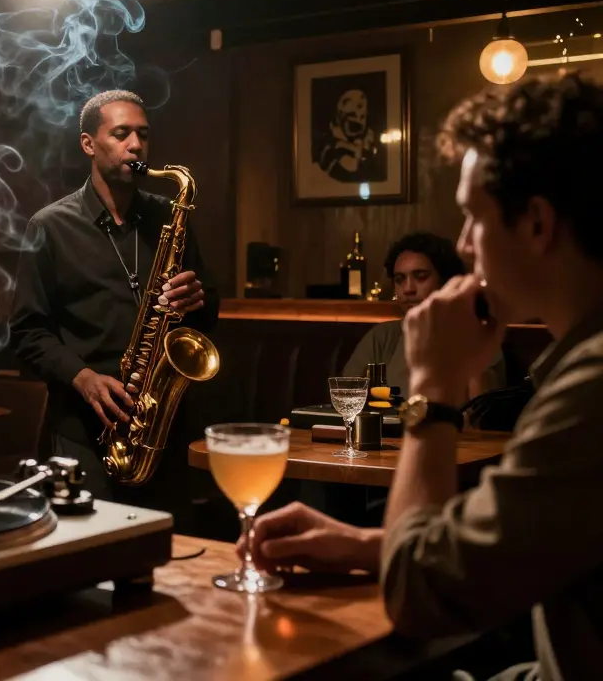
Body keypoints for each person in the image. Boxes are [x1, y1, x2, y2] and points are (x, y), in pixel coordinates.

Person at [241, 72, 603, 681]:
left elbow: (419, 596)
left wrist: (434, 386)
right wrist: (362, 546)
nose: (463, 245)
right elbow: (503, 555)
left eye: (472, 218)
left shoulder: (592, 390)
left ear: (537, 225)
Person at [10, 89, 219, 501]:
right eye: (121, 133)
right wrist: (83, 378)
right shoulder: (49, 227)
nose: (136, 145)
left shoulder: (170, 214)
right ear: (88, 143)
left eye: (143, 134)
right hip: (85, 431)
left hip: (163, 428)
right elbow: (27, 332)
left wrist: (199, 298)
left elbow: (207, 311)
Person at [342, 231, 506, 397]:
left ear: (446, 281)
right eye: (400, 280)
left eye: (420, 277)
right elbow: (346, 397)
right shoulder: (383, 338)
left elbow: (482, 412)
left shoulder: (478, 337)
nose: (408, 289)